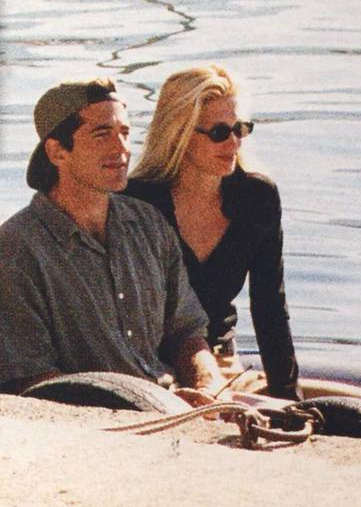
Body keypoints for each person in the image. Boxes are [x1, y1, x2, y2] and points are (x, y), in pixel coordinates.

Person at [0, 78, 225, 405]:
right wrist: (152, 407)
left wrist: (208, 385)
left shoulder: (148, 224)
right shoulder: (16, 250)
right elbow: (32, 380)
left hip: (169, 401)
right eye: (102, 134)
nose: (121, 149)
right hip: (97, 422)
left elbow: (187, 332)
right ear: (57, 151)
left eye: (125, 133)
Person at [124, 65, 301, 400]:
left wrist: (288, 399)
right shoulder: (135, 202)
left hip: (221, 362)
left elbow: (270, 308)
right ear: (179, 133)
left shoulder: (257, 197)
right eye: (219, 132)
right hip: (147, 366)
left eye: (240, 129)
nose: (233, 142)